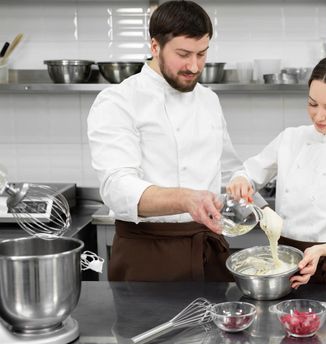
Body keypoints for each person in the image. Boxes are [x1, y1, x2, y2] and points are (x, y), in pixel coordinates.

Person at [87, 1, 244, 282]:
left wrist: (252, 196)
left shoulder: (209, 100)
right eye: (183, 54)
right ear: (155, 46)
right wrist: (185, 199)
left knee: (214, 328)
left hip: (208, 251)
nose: (194, 66)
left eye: (202, 54)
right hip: (147, 254)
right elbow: (117, 187)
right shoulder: (118, 101)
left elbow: (231, 170)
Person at [228, 54, 326, 288]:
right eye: (312, 104)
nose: (319, 116)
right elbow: (248, 172)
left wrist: (323, 250)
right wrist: (241, 180)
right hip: (281, 266)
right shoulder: (291, 139)